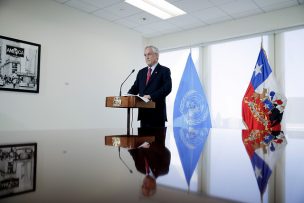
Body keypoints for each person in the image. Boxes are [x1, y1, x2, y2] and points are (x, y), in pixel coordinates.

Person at [128, 45, 172, 128]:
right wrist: (127, 95)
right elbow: (135, 88)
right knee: (143, 140)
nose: (146, 57)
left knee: (157, 141)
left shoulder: (164, 71)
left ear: (157, 55)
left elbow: (167, 88)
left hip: (157, 114)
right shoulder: (141, 72)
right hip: (143, 114)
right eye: (145, 55)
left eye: (149, 54)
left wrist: (151, 96)